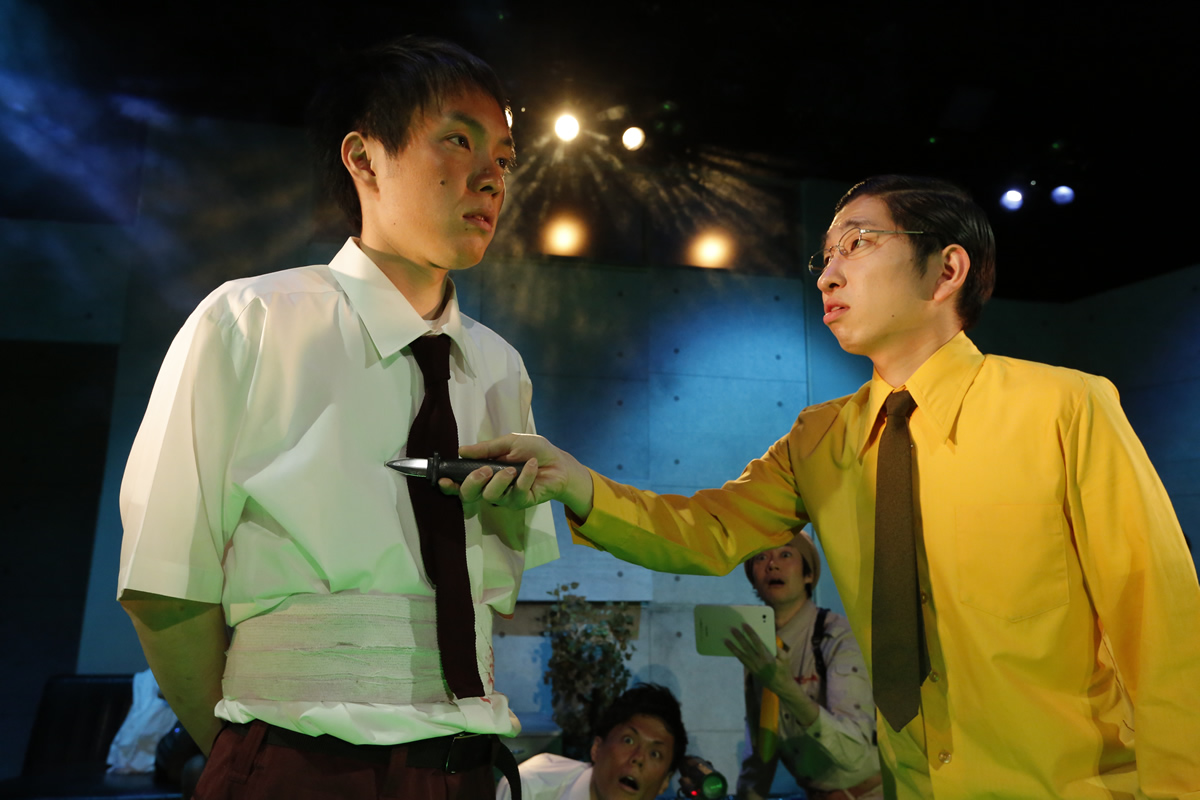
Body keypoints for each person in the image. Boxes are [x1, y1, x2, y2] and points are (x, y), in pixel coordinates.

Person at [452, 175, 1200, 798]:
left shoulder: (1064, 406)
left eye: (859, 243)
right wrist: (576, 482)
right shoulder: (821, 438)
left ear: (947, 270)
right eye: (826, 252)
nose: (827, 273)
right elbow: (708, 530)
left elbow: (1162, 627)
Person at [117, 36, 558, 800]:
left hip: (464, 766)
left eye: (505, 158)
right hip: (292, 756)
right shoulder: (247, 321)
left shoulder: (501, 368)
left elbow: (497, 596)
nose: (491, 177)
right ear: (364, 158)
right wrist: (249, 756)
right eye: (459, 141)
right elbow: (165, 588)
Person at [728, 531, 881, 800]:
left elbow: (854, 753)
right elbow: (761, 747)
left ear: (808, 575)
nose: (772, 564)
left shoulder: (838, 636)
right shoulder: (759, 647)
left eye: (785, 554)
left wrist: (785, 688)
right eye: (761, 557)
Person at [496, 684, 686, 800]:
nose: (638, 758)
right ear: (596, 748)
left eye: (655, 754)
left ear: (665, 782)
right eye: (628, 740)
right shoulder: (530, 788)